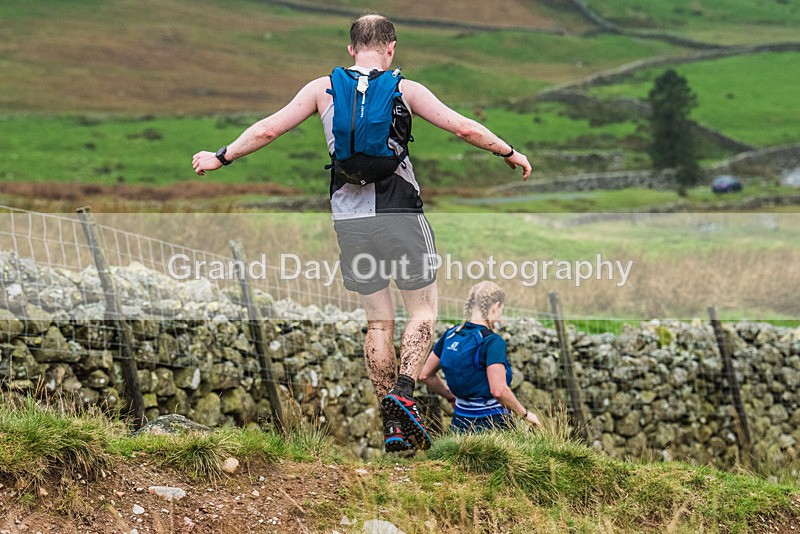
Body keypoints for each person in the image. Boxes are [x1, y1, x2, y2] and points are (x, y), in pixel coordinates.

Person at [192, 14, 532, 452]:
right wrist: (508, 152)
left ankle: (393, 425)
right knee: (424, 313)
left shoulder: (322, 88)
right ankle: (405, 396)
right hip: (400, 211)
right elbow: (462, 126)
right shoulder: (404, 89)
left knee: (377, 321)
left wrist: (222, 156)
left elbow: (270, 128)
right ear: (390, 48)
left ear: (351, 48)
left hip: (349, 218)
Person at [419, 281, 541, 433]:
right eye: (501, 310)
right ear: (495, 307)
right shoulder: (492, 341)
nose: (501, 317)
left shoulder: (451, 334)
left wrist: (451, 397)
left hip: (459, 425)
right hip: (493, 425)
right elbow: (499, 391)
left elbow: (425, 375)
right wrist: (525, 414)